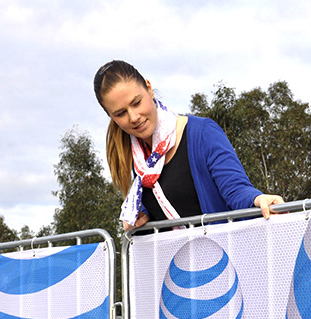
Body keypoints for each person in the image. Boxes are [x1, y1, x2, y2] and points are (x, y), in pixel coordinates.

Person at [93, 60, 284, 230]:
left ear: (149, 89)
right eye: (120, 114)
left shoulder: (202, 133)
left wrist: (259, 199)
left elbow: (236, 191)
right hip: (173, 268)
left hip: (223, 263)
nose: (134, 117)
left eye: (136, 102)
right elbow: (158, 207)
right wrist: (140, 216)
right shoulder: (137, 160)